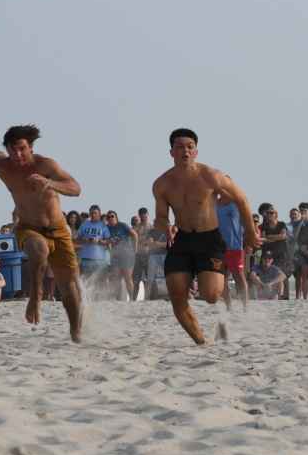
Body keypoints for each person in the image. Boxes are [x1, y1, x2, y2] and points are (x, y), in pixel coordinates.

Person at [0, 124, 83, 340]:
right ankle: (35, 295)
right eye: (12, 149)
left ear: (31, 147)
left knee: (68, 287)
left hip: (58, 229)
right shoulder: (2, 165)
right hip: (28, 227)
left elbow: (76, 188)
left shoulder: (45, 164)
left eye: (22, 149)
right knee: (38, 250)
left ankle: (76, 331)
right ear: (6, 149)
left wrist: (50, 183)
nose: (17, 155)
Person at [151, 128, 261, 344]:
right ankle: (201, 342)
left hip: (208, 240)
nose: (185, 150)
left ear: (196, 151)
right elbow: (160, 218)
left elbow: (241, 199)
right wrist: (167, 227)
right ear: (171, 152)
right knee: (176, 295)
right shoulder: (162, 183)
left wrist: (250, 232)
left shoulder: (211, 176)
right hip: (180, 241)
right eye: (179, 147)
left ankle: (218, 312)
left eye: (189, 146)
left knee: (211, 295)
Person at [216, 193, 248, 311]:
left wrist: (248, 242)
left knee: (239, 276)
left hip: (235, 247)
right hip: (219, 248)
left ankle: (246, 307)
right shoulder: (213, 204)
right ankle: (229, 307)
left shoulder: (237, 204)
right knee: (223, 278)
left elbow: (247, 224)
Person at [76, 205, 111, 299]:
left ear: (99, 214)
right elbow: (77, 239)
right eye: (91, 213)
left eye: (95, 213)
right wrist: (85, 240)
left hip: (100, 259)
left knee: (100, 281)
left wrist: (98, 241)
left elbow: (108, 241)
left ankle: (100, 300)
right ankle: (87, 299)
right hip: (86, 258)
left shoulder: (103, 226)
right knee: (86, 280)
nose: (93, 214)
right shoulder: (84, 225)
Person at [105, 210, 138, 301]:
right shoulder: (107, 228)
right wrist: (109, 250)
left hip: (126, 255)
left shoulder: (123, 225)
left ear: (116, 217)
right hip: (115, 256)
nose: (110, 218)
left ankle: (131, 299)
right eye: (108, 217)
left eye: (112, 216)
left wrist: (135, 249)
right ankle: (118, 300)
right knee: (117, 279)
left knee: (128, 278)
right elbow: (107, 241)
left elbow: (135, 235)